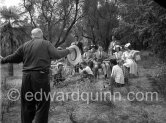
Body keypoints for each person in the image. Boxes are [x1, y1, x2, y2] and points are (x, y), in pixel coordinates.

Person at [0, 28, 74, 123]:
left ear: (32, 36)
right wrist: (68, 50)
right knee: (42, 104)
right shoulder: (46, 43)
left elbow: (14, 57)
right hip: (40, 77)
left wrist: (3, 60)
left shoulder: (25, 45)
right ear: (42, 35)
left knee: (27, 104)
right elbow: (57, 54)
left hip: (26, 77)